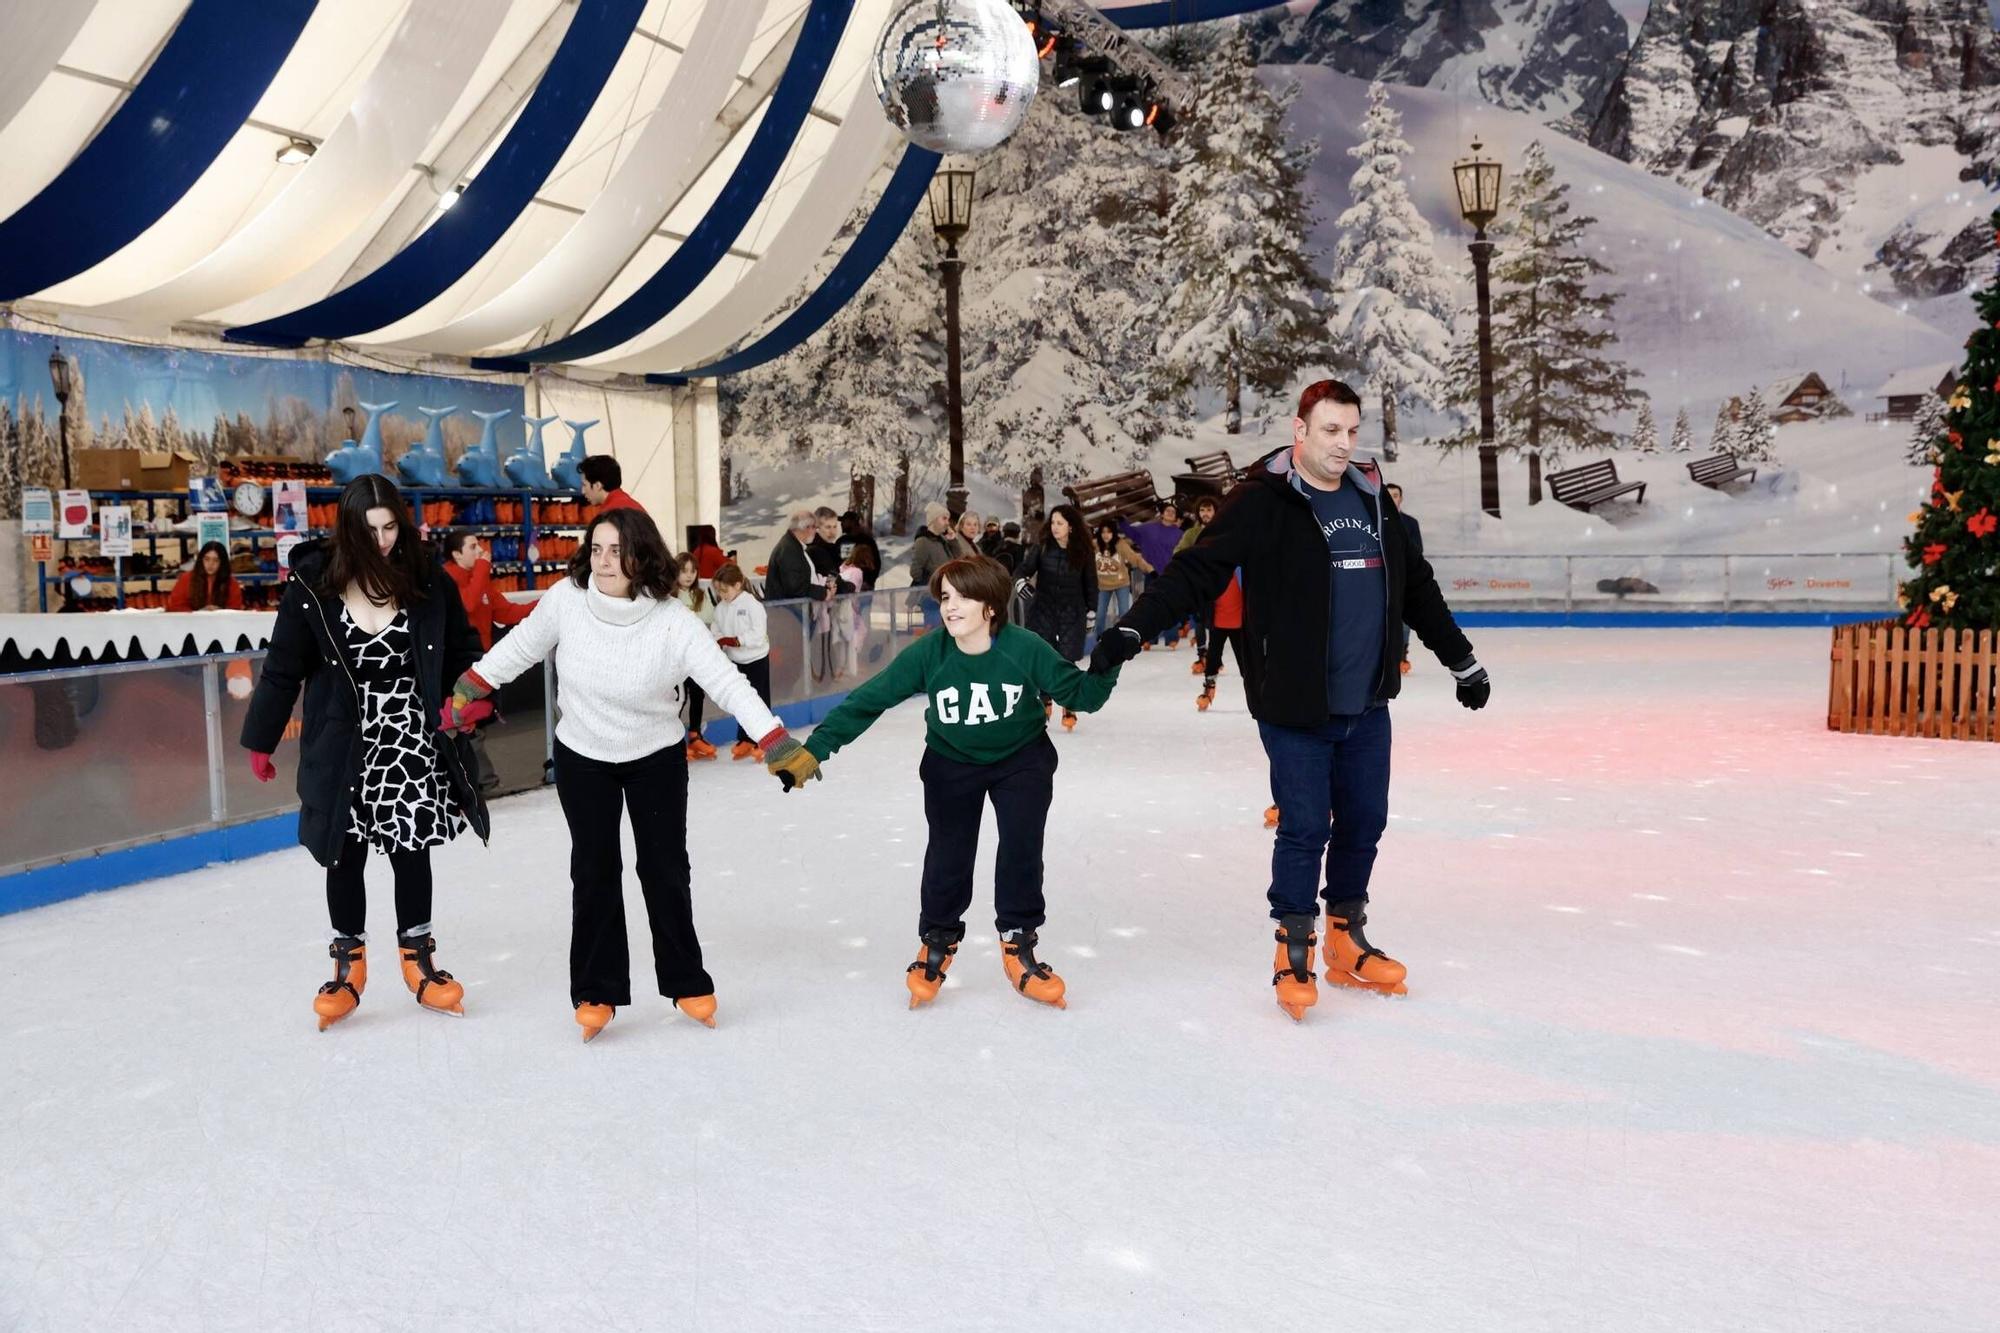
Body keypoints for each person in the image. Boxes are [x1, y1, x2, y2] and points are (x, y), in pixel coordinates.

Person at [1090, 379, 1491, 1023]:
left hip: (1366, 703)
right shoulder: (1263, 502)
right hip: (1295, 703)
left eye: (1353, 431)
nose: (1344, 444)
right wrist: (1136, 626)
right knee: (1305, 827)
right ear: (1300, 430)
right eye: (1331, 430)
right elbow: (1199, 571)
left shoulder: (1372, 501)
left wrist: (1461, 661)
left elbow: (1416, 587)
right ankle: (1294, 946)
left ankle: (1344, 938)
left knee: (1365, 822)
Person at [448, 510, 800, 1042]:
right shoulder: (567, 600)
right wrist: (474, 682)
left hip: (654, 757)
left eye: (617, 551)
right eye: (597, 549)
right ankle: (596, 988)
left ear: (641, 556)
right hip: (583, 755)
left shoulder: (672, 620)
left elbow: (726, 682)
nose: (604, 561)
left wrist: (772, 739)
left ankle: (685, 981)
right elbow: (521, 645)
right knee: (593, 870)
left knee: (664, 870)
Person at [764, 556, 1119, 1010]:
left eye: (963, 597)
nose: (950, 607)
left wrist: (1108, 662)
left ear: (991, 606)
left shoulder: (1024, 648)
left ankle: (1019, 943)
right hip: (952, 762)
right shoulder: (930, 653)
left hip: (1022, 760)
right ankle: (938, 938)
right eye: (946, 597)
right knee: (948, 854)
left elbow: (1081, 695)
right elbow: (869, 701)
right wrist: (815, 748)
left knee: (1021, 848)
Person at [241, 475, 490, 1032]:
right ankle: (347, 963)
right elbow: (283, 667)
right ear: (348, 530)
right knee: (342, 851)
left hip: (408, 733)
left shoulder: (426, 576)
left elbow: (462, 649)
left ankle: (418, 959)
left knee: (411, 847)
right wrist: (261, 737)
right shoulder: (313, 584)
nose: (382, 541)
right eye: (369, 530)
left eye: (390, 527)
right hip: (343, 739)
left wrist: (467, 698)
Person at [1017, 503, 1096, 731]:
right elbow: (1022, 571)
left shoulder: (1083, 551)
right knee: (1044, 656)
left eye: (1060, 523)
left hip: (1072, 612)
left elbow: (1091, 584)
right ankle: (1044, 700)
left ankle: (1069, 703)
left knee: (1067, 659)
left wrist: (1091, 612)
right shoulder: (1042, 547)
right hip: (1044, 610)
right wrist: (1022, 584)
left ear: (1071, 526)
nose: (1054, 527)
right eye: (1052, 522)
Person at [710, 562, 776, 760]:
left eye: (725, 590)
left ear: (738, 585)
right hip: (735, 660)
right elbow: (716, 628)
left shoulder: (752, 605)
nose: (722, 594)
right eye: (719, 591)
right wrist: (719, 640)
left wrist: (738, 640)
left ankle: (765, 740)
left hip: (755, 659)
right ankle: (745, 738)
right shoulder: (721, 607)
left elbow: (758, 634)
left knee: (758, 701)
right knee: (740, 700)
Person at [441, 531, 530, 652]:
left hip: (482, 655)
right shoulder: (446, 579)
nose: (480, 550)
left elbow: (506, 613)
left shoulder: (479, 577)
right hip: (458, 657)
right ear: (457, 554)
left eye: (478, 545)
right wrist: (482, 567)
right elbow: (468, 604)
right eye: (473, 547)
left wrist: (543, 604)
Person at [1121, 501, 1186, 646]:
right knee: (1150, 607)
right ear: (1162, 513)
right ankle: (1149, 638)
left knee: (1170, 607)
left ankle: (1171, 638)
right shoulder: (1148, 529)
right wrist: (1121, 521)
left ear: (1176, 517)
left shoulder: (1180, 534)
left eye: (1173, 511)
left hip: (1172, 575)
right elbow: (1132, 532)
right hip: (1151, 574)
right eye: (1167, 510)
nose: (1169, 512)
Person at [674, 552, 720, 760]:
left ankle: (695, 734)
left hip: (696, 656)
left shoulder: (700, 595)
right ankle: (673, 741)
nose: (689, 576)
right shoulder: (670, 597)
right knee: (677, 699)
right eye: (684, 571)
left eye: (692, 571)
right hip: (676, 659)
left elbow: (707, 618)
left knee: (698, 694)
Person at [1090, 519, 1151, 652]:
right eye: (1103, 532)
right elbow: (1081, 551)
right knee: (1100, 614)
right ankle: (1099, 639)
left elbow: (1134, 558)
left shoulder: (1120, 544)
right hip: (1102, 585)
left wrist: (1148, 569)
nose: (1106, 535)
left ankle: (1124, 639)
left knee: (1124, 612)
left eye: (1109, 532)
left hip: (1121, 583)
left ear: (1114, 533)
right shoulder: (1094, 545)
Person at [1175, 496, 1221, 669]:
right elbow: (1178, 552)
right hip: (1199, 582)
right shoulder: (1191, 533)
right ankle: (1202, 655)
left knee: (1216, 623)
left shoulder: (1222, 530)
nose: (1205, 513)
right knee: (1200, 620)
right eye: (1202, 510)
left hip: (1219, 581)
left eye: (1209, 510)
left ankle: (1215, 657)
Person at [1194, 571, 1246, 712]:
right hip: (1218, 624)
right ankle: (1209, 686)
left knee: (1245, 661)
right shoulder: (1215, 573)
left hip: (1239, 624)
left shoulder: (1242, 572)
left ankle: (1256, 691)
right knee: (1213, 658)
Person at [1385, 483, 1422, 674]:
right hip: (1381, 579)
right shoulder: (1376, 520)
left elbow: (1417, 552)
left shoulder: (1410, 523)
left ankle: (1401, 655)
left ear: (1401, 498)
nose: (1392, 498)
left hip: (1404, 579)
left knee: (1404, 620)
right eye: (1389, 495)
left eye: (1396, 495)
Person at [907, 502, 957, 628]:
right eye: (944, 518)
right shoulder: (923, 542)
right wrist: (933, 580)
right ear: (934, 520)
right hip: (931, 598)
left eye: (948, 519)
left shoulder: (943, 541)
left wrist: (953, 540)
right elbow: (915, 572)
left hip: (946, 597)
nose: (947, 523)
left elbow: (959, 559)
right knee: (935, 633)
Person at [764, 509, 826, 603]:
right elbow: (794, 587)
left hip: (790, 611)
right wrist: (822, 593)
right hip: (787, 612)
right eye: (815, 528)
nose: (816, 532)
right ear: (807, 527)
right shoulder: (788, 550)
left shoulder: (793, 546)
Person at [167, 541, 244, 611]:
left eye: (216, 560)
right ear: (201, 560)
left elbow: (235, 610)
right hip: (191, 624)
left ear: (222, 563)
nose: (210, 564)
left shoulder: (231, 583)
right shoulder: (186, 579)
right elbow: (175, 606)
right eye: (207, 559)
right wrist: (199, 613)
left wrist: (219, 612)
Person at [578, 455, 643, 516]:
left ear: (598, 485)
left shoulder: (611, 514)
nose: (583, 491)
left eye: (584, 485)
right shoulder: (633, 506)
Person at [837, 511, 881, 591]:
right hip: (844, 587)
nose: (841, 524)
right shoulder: (841, 541)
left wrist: (869, 582)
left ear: (853, 522)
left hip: (864, 588)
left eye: (844, 521)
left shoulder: (867, 541)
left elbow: (876, 563)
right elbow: (835, 562)